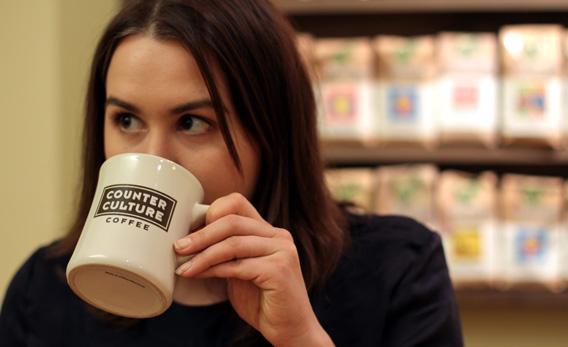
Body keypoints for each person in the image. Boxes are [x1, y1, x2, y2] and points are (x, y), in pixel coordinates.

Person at [0, 0, 463, 346]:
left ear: (271, 132)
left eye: (193, 123)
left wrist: (301, 338)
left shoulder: (397, 270)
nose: (155, 156)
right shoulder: (44, 293)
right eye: (126, 120)